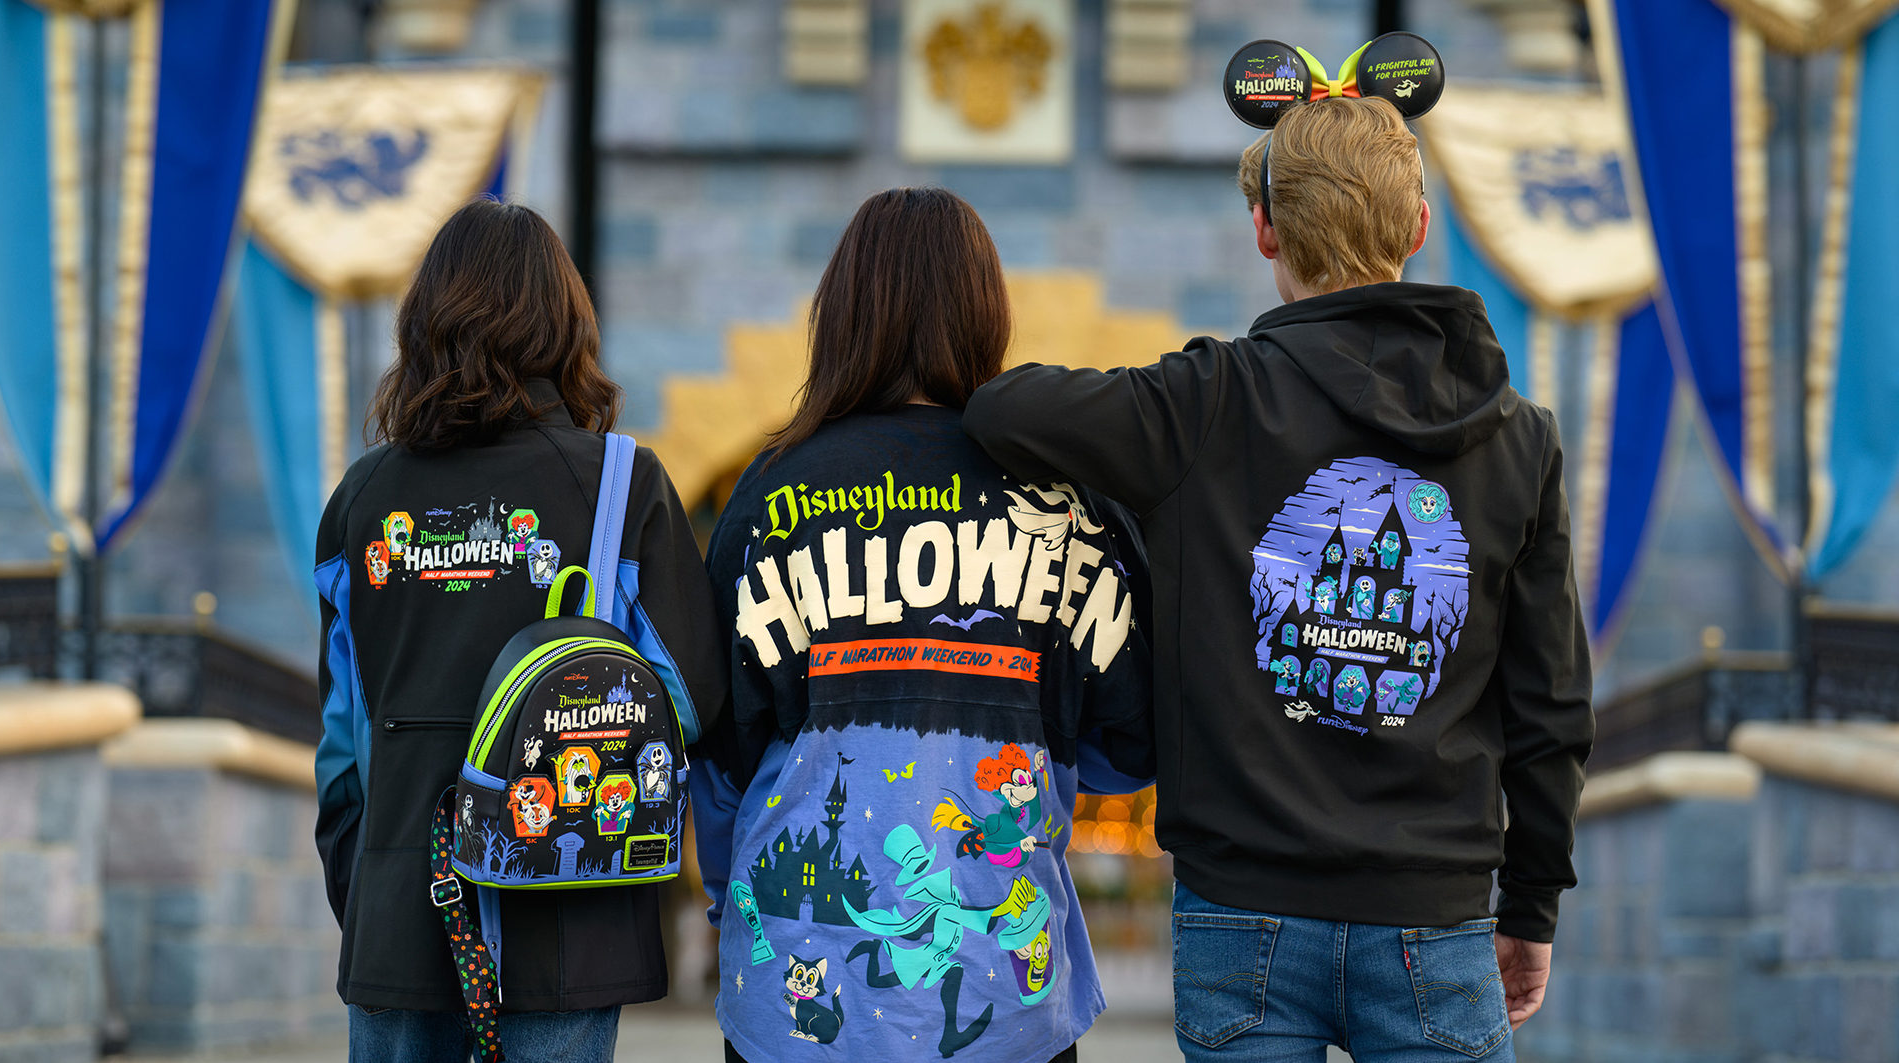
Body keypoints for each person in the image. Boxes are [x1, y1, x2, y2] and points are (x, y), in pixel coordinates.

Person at [961, 97, 1594, 1062]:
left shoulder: (1203, 406)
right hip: (1436, 912)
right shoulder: (1520, 439)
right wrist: (1533, 902)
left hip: (1240, 910)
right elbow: (1550, 704)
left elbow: (1004, 409)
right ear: (1419, 228)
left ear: (1264, 228)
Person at [690, 187, 1156, 1063]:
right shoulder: (1064, 500)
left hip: (792, 1006)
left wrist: (730, 900)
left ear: (843, 313)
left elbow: (721, 755)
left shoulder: (770, 490)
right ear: (987, 310)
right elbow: (1129, 746)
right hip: (1007, 1008)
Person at [313, 200, 727, 1062]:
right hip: (569, 908)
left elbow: (342, 745)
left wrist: (369, 887)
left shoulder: (360, 500)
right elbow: (691, 701)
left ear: (423, 323)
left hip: (401, 901)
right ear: (565, 323)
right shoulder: (623, 484)